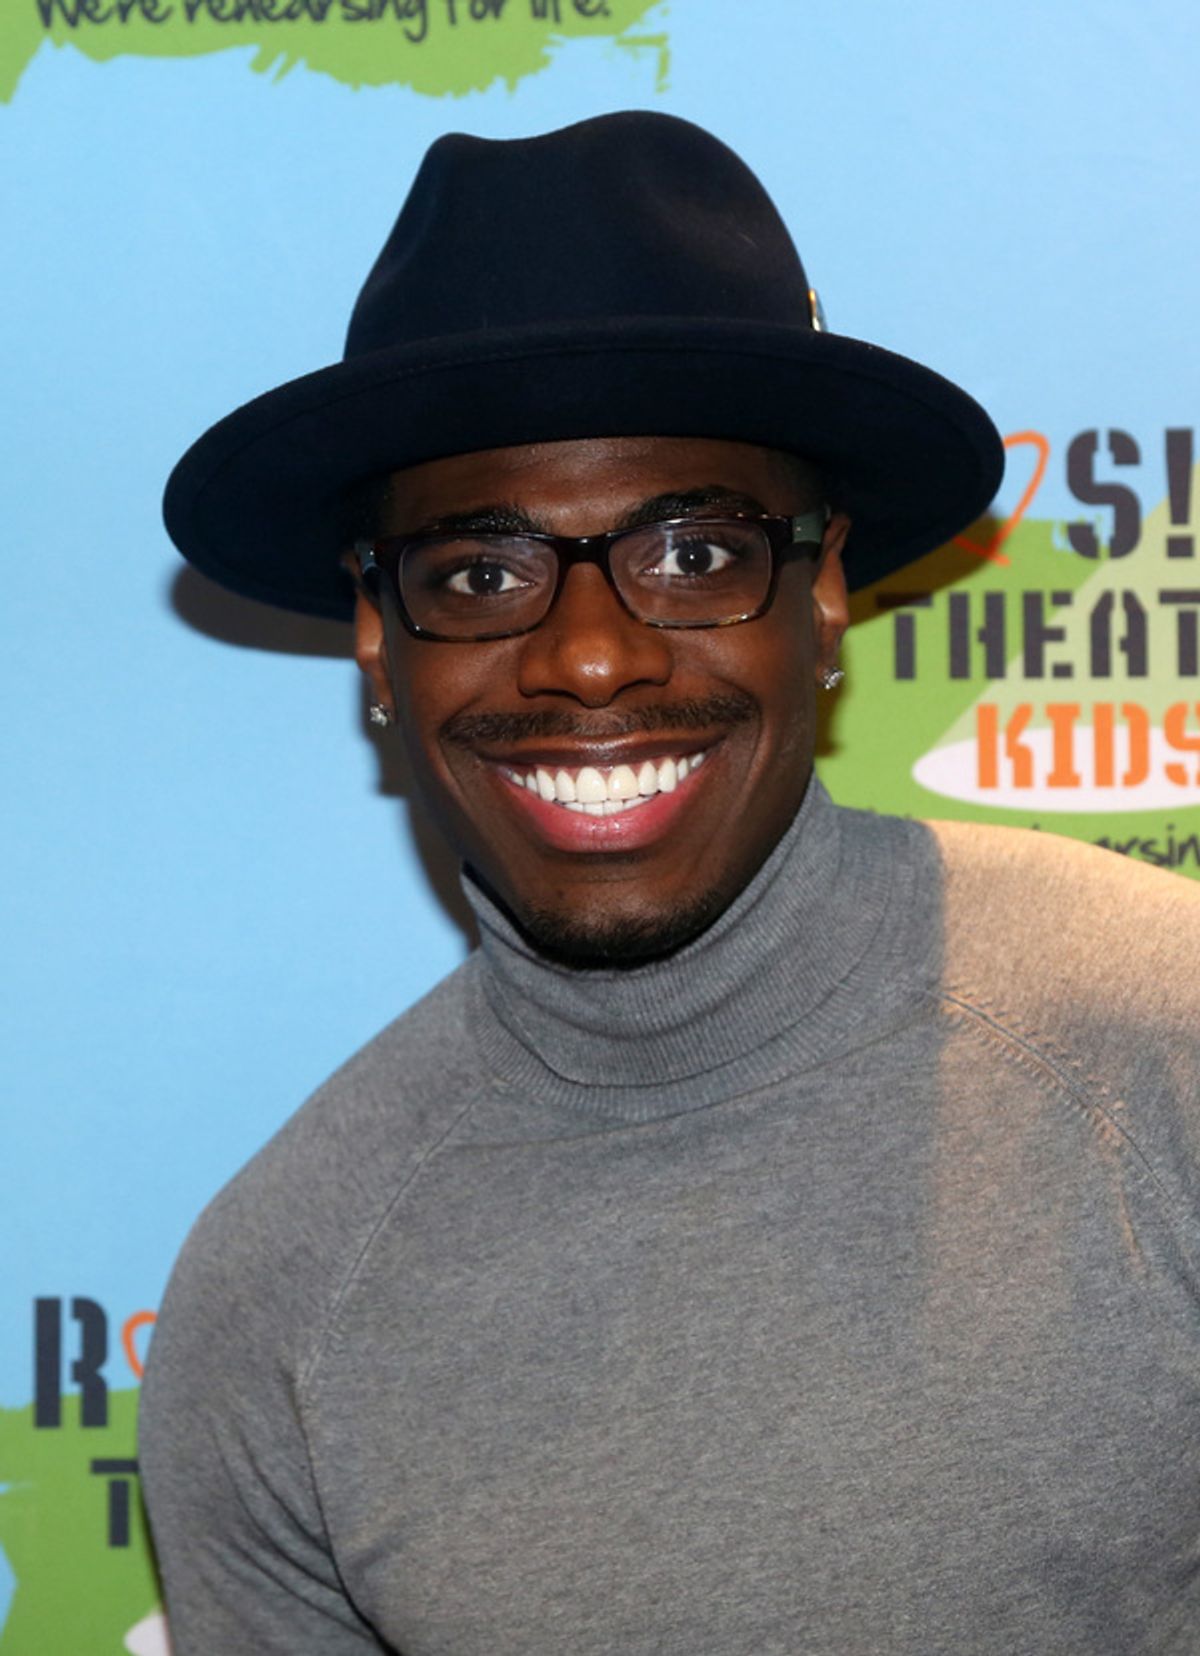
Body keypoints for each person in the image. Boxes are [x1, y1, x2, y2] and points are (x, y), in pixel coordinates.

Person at [140, 112, 1200, 1654]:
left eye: (696, 555)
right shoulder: (278, 1300)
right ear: (378, 639)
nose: (589, 657)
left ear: (824, 592)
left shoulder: (1162, 1055)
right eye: (479, 575)